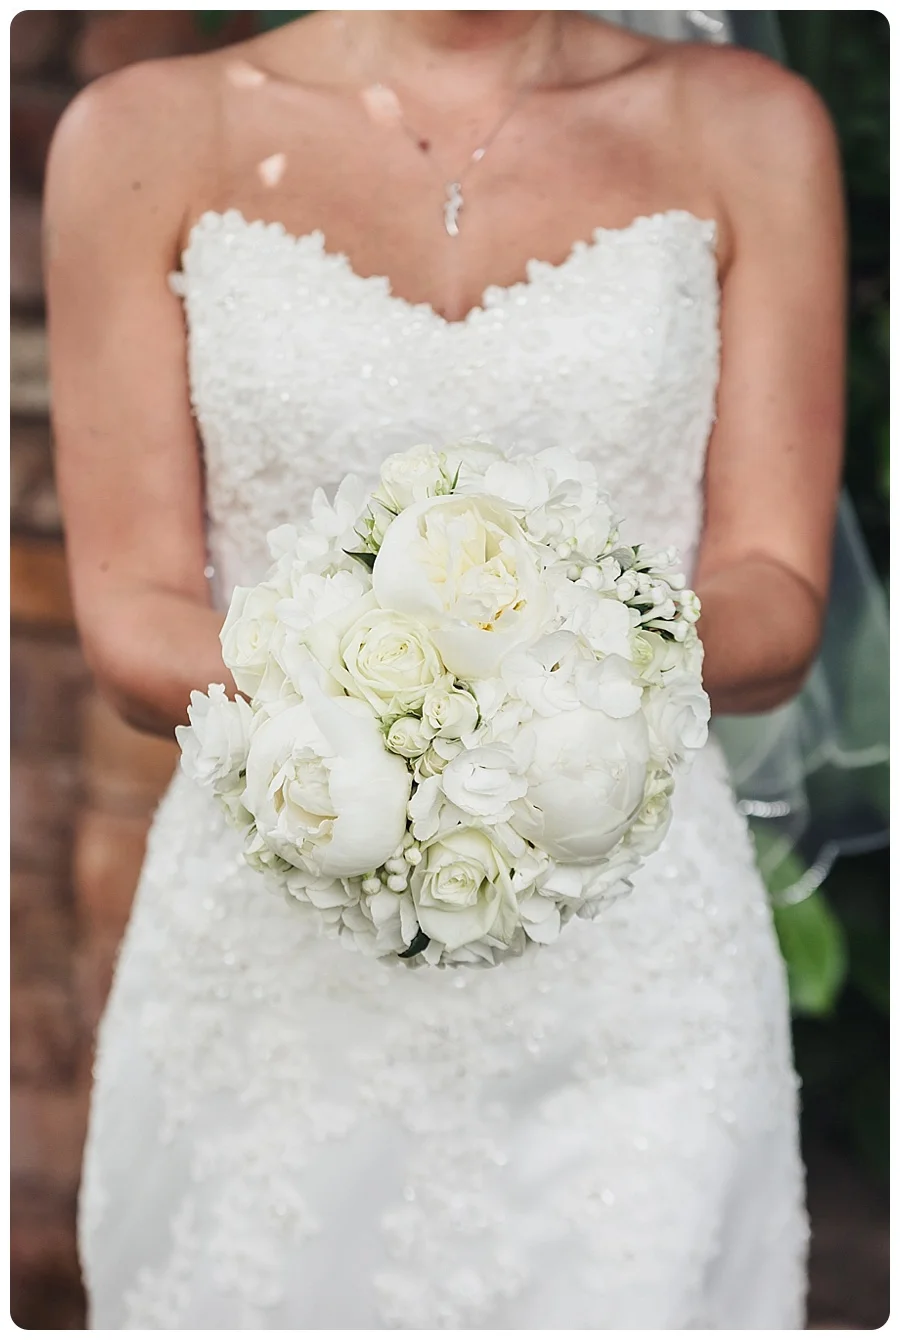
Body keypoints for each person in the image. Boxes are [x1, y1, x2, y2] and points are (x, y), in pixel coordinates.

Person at [45, 10, 845, 1328]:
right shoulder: (140, 136)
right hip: (271, 951)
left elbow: (775, 584)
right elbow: (133, 612)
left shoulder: (749, 128)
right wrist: (380, 714)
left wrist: (555, 689)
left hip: (635, 957)